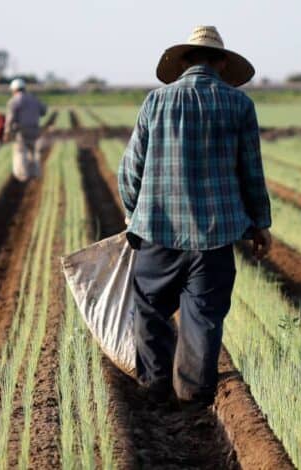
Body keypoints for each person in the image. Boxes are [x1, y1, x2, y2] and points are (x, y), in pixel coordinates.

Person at [118, 26, 272, 408]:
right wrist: (260, 223)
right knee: (203, 315)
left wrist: (133, 214)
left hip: (158, 229)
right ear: (222, 63)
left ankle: (155, 386)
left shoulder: (156, 101)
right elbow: (251, 171)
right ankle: (193, 396)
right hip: (215, 236)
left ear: (185, 61)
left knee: (150, 308)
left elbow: (131, 167)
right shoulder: (239, 105)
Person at [3, 78, 47, 181]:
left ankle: (22, 175)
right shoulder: (34, 99)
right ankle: (34, 173)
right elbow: (44, 111)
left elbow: (10, 118)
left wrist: (7, 132)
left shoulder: (14, 101)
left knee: (20, 152)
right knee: (33, 151)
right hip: (34, 129)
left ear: (14, 89)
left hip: (21, 131)